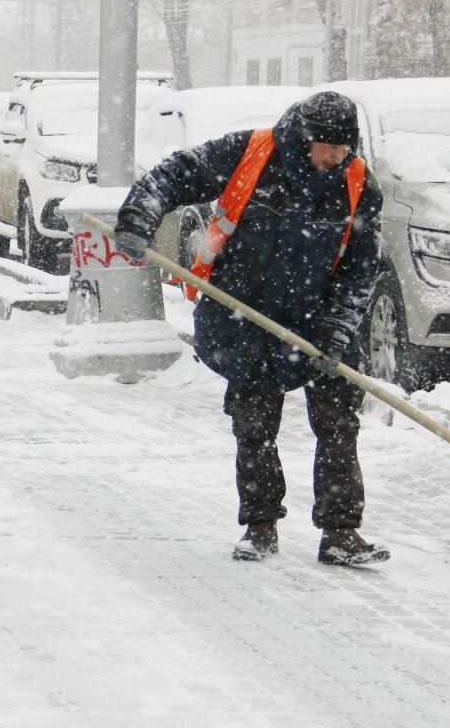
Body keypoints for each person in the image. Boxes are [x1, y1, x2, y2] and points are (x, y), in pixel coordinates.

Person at [112, 91, 391, 567]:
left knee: (339, 419)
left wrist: (336, 327)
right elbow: (175, 174)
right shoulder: (250, 153)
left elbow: (361, 267)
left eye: (344, 150)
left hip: (317, 316)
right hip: (243, 312)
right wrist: (139, 216)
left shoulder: (358, 182)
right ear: (303, 140)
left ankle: (341, 532)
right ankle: (260, 526)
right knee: (255, 421)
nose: (334, 159)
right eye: (327, 149)